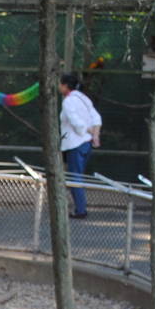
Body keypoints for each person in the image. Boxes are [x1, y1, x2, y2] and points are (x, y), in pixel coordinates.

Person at [59, 72, 102, 218]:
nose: (59, 87)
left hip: (75, 144)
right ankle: (78, 207)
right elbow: (97, 118)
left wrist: (90, 131)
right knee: (76, 175)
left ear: (65, 86)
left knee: (74, 177)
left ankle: (81, 210)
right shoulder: (84, 98)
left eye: (60, 84)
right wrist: (95, 135)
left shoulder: (68, 101)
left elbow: (76, 122)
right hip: (86, 144)